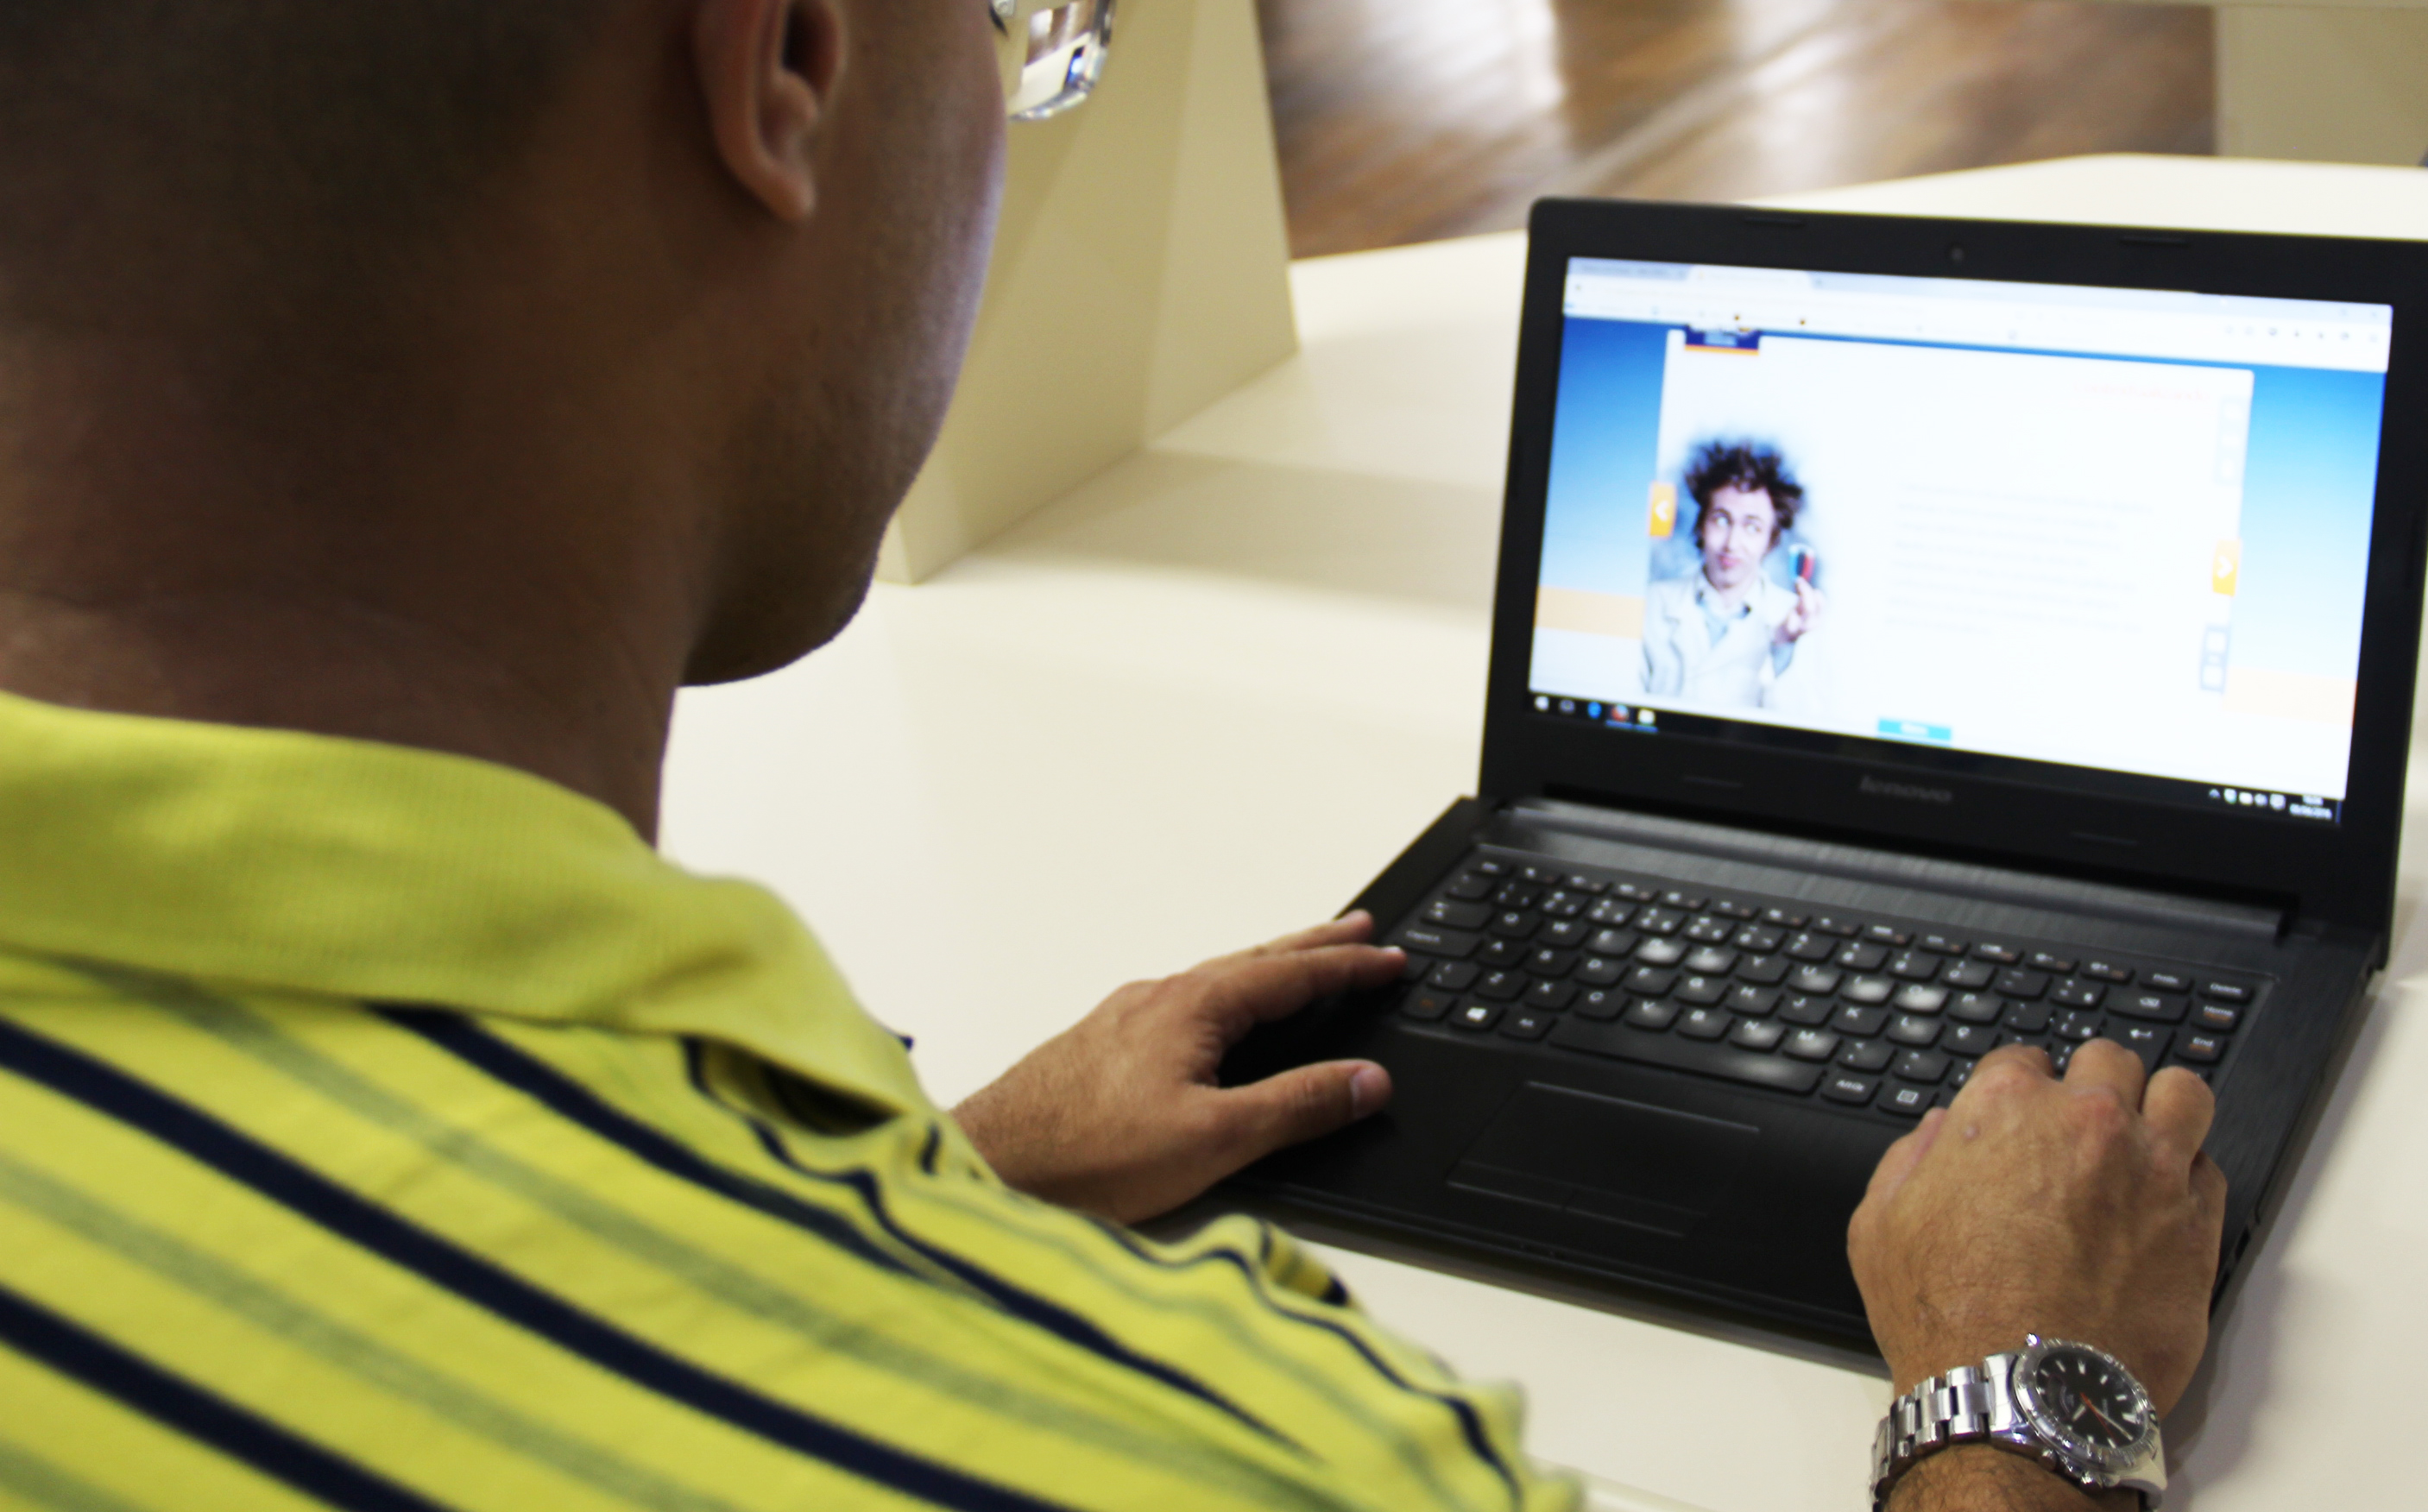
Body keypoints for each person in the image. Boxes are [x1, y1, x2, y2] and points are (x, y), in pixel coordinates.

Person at [0, 4, 2223, 1510]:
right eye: (1021, 29)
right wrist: (2017, 1398)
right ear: (785, 65)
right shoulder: (1232, 1463)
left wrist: (937, 1175)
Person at [1643, 440, 1825, 712]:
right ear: (1701, 525)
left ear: (1771, 539)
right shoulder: (1651, 603)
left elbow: (1801, 723)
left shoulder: (1797, 619)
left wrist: (1784, 648)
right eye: (1721, 520)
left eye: (1752, 527)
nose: (1732, 543)